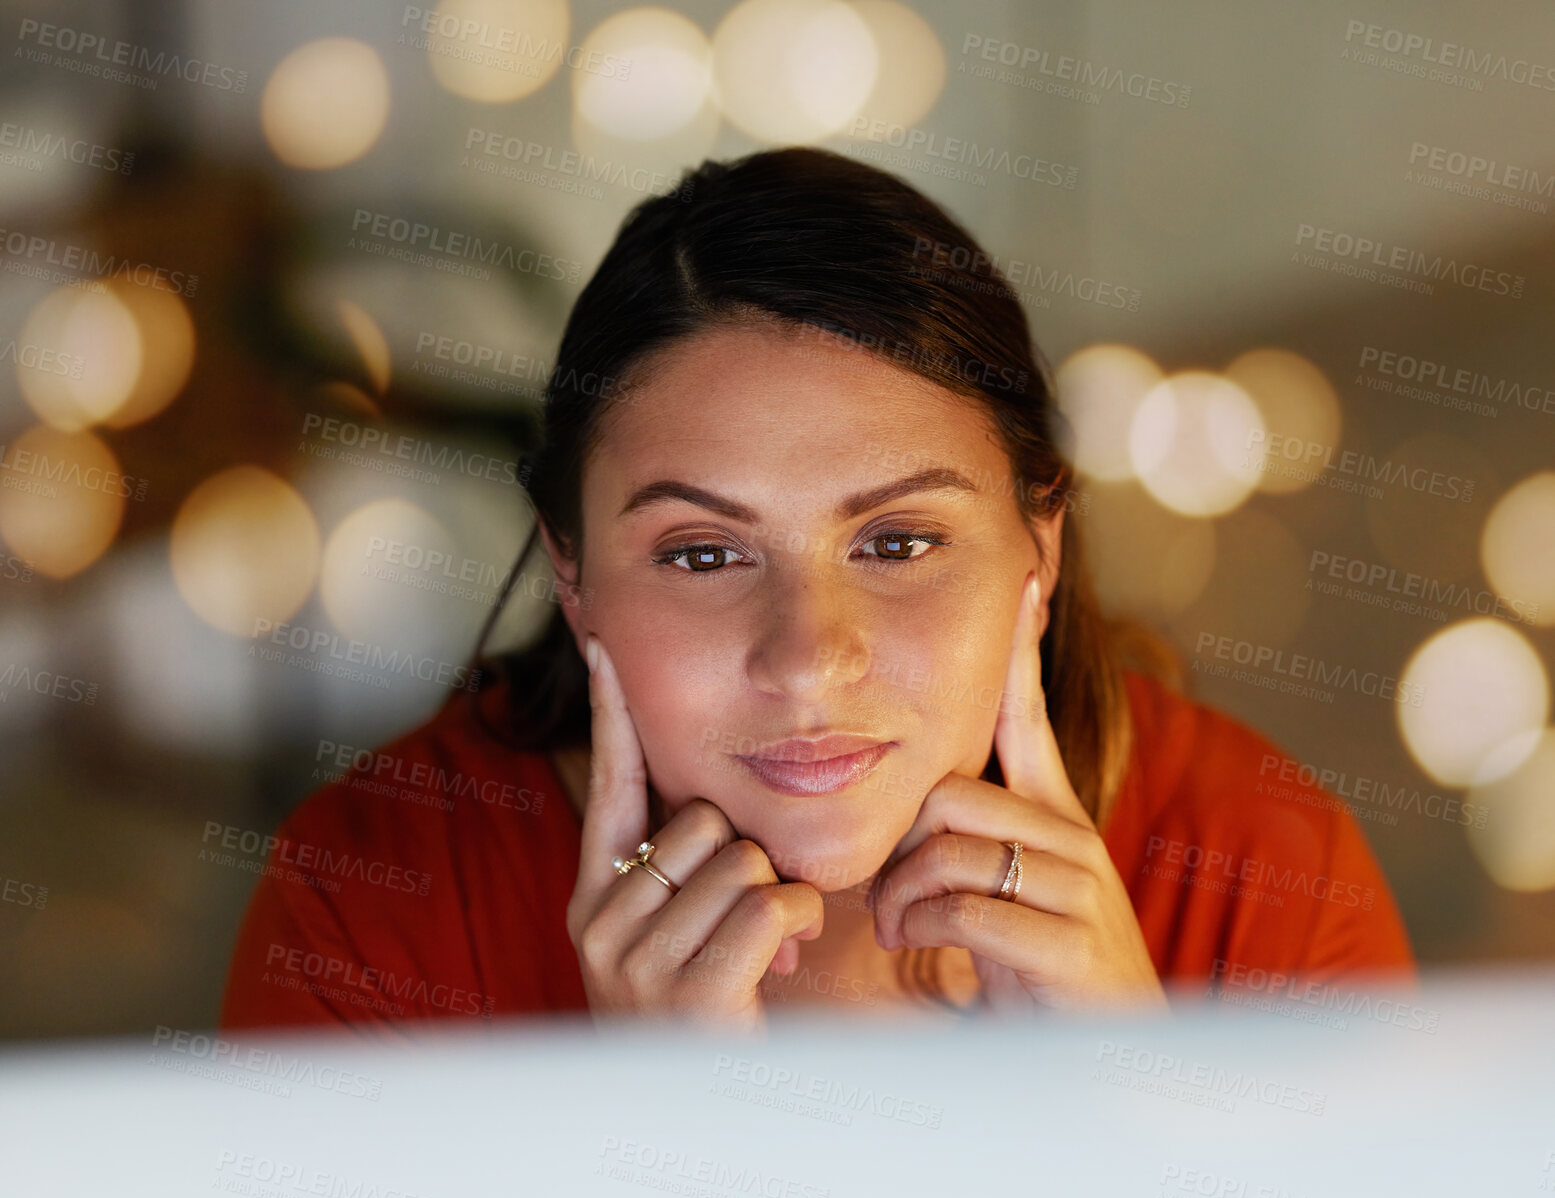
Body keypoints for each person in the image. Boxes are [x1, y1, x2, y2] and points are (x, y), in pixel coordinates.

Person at [221, 147, 1415, 1035]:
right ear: (573, 576)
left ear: (1038, 550)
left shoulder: (1265, 869)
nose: (808, 656)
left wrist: (1133, 1121)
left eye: (897, 543)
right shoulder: (373, 899)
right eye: (701, 552)